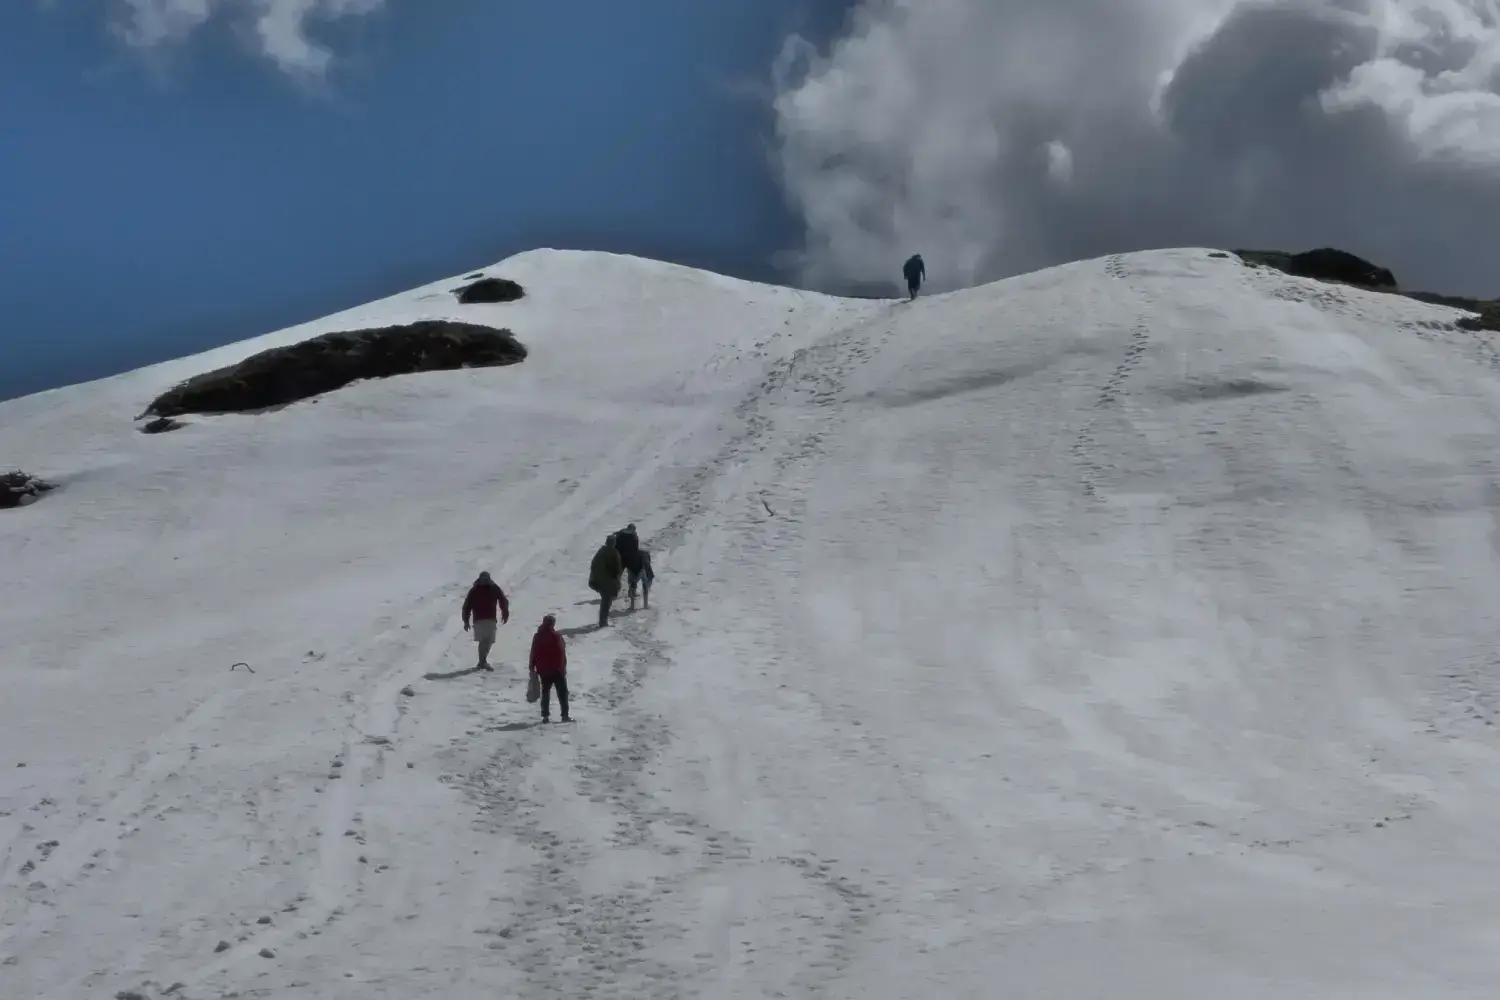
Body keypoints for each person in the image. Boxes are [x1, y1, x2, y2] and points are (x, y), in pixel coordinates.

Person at [461, 570, 510, 671]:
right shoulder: (474, 590)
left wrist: (505, 612)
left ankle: (482, 661)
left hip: (490, 618)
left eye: (486, 579)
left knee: (489, 640)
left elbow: (502, 600)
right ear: (479, 579)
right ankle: (482, 661)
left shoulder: (493, 588)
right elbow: (467, 606)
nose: (485, 581)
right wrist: (466, 620)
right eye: (483, 579)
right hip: (479, 619)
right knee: (484, 640)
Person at [528, 614, 569, 722]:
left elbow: (534, 652)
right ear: (553, 623)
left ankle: (545, 716)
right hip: (557, 669)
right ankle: (565, 715)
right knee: (562, 692)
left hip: (544, 670)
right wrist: (564, 666)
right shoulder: (557, 635)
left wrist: (531, 666)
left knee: (545, 692)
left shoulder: (538, 636)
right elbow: (562, 651)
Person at [589, 534, 623, 628]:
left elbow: (593, 565)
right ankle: (603, 622)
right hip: (607, 582)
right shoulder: (613, 553)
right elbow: (617, 569)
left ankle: (603, 620)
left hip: (598, 581)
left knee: (605, 601)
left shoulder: (601, 551)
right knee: (606, 601)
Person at [614, 523, 649, 610]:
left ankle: (614, 592)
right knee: (631, 575)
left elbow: (615, 545)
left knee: (618, 575)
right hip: (630, 559)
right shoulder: (634, 536)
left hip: (621, 557)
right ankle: (632, 593)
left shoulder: (620, 534)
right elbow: (635, 549)